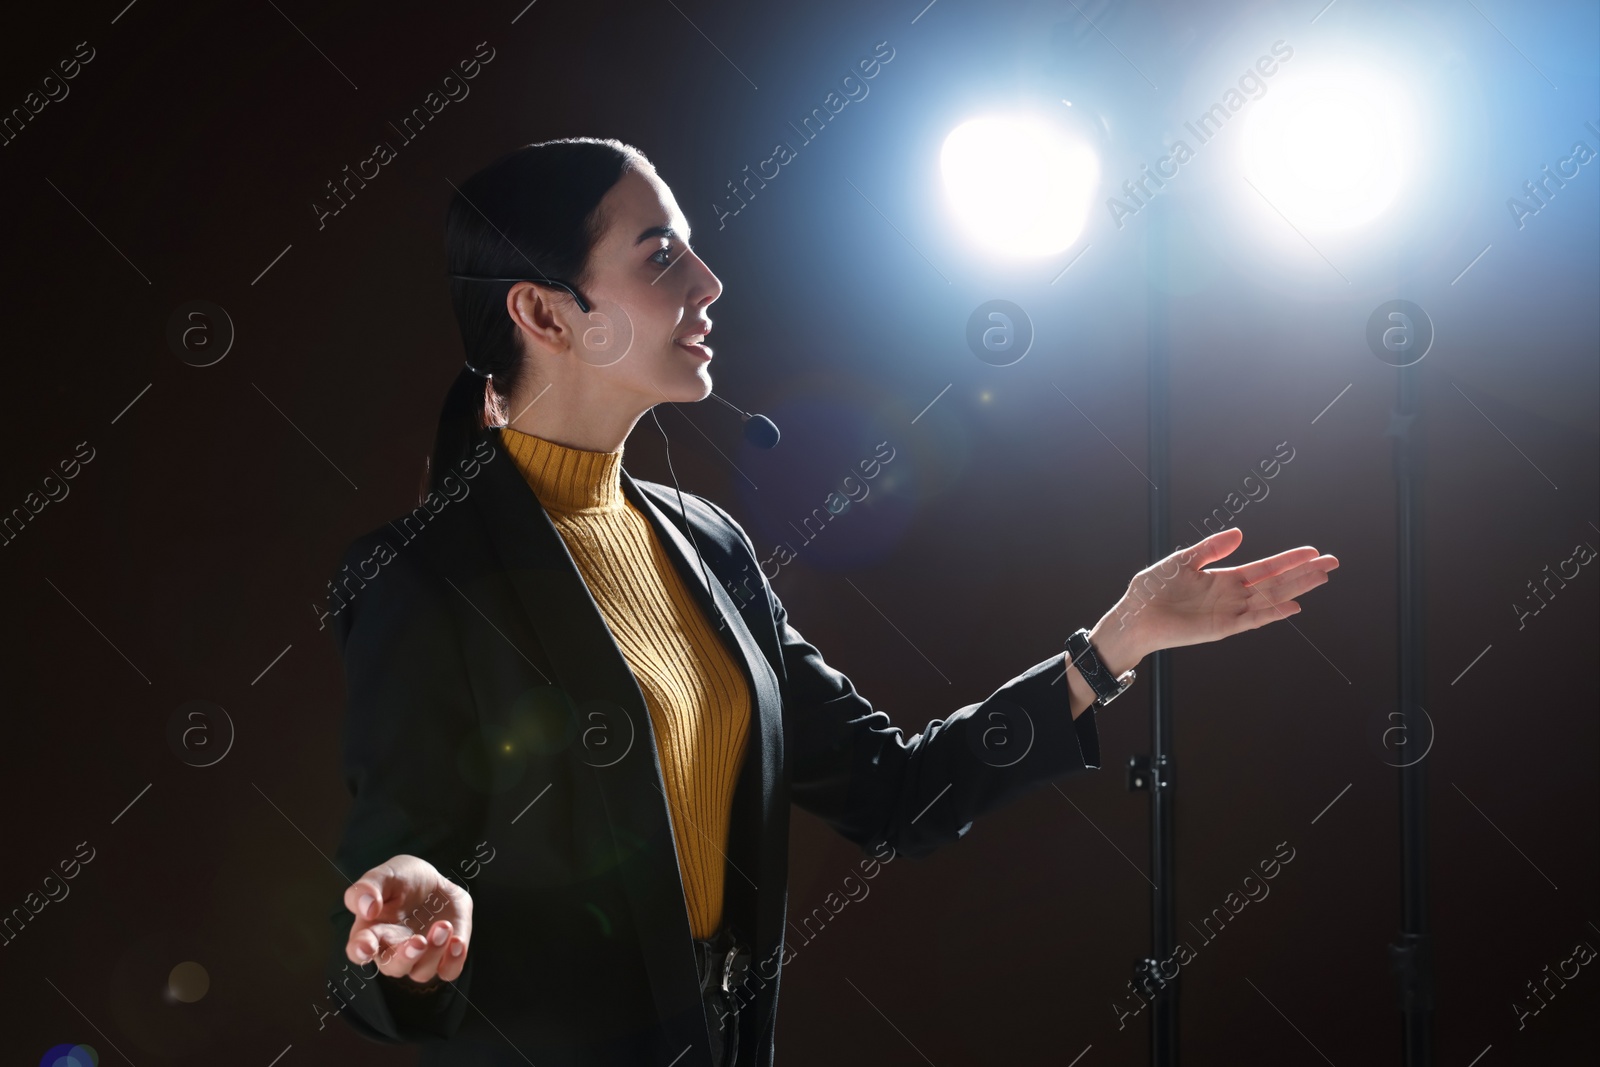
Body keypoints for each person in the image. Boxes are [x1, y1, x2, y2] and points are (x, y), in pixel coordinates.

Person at [321, 137, 1339, 1066]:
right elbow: (382, 923)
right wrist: (406, 916)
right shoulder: (423, 574)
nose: (711, 283)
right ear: (544, 313)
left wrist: (1114, 644)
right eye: (661, 256)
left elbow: (895, 794)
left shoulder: (707, 545)